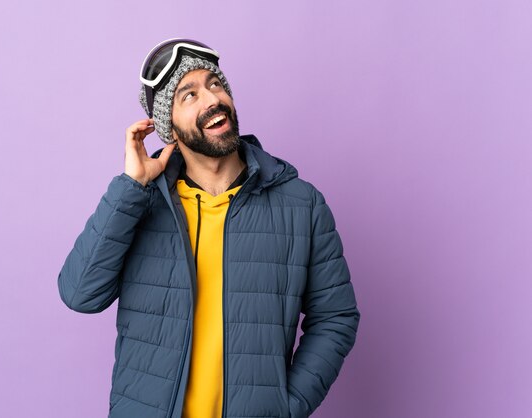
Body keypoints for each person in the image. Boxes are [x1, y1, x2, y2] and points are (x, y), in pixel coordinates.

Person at [58, 38, 360, 418]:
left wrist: (287, 406)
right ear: (168, 127)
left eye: (215, 85)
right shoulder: (141, 202)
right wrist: (130, 187)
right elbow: (79, 294)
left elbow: (336, 317)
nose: (211, 100)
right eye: (189, 95)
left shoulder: (301, 204)